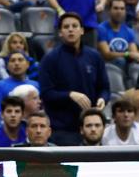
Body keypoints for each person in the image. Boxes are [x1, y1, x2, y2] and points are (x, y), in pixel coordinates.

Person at [38, 12, 110, 145]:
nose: (70, 29)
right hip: (62, 130)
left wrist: (102, 99)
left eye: (74, 26)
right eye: (66, 27)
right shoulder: (50, 59)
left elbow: (104, 87)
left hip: (91, 129)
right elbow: (46, 93)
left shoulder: (94, 56)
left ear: (82, 30)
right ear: (60, 32)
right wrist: (69, 95)